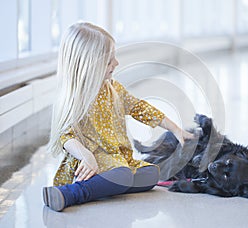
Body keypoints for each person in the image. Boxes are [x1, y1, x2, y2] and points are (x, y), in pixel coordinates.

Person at [43, 22, 194, 212]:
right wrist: (86, 156)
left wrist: (176, 129)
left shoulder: (114, 89)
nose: (116, 63)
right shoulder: (76, 98)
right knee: (122, 175)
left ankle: (108, 184)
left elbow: (141, 108)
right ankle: (71, 193)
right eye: (109, 61)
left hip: (117, 160)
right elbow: (66, 136)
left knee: (151, 174)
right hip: (91, 163)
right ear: (90, 65)